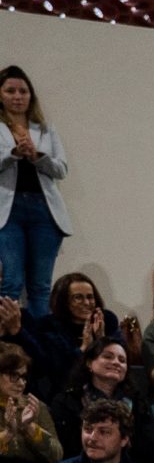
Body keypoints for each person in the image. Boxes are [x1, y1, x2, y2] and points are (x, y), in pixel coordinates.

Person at [0, 68, 69, 321]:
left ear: (31, 96)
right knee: (11, 281)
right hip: (9, 211)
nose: (17, 97)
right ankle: (6, 339)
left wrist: (37, 156)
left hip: (43, 209)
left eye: (23, 91)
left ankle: (38, 340)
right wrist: (13, 155)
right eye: (10, 91)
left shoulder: (45, 129)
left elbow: (61, 169)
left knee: (40, 286)